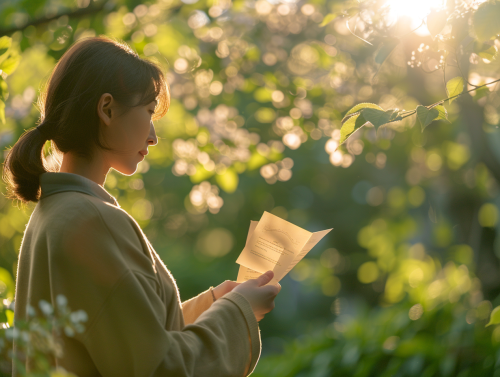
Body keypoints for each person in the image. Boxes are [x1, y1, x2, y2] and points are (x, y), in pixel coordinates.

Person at [2, 35, 280, 377]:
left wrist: (214, 303)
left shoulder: (56, 213)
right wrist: (240, 310)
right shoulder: (92, 221)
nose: (153, 135)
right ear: (107, 109)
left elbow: (126, 340)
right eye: (148, 112)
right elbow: (160, 368)